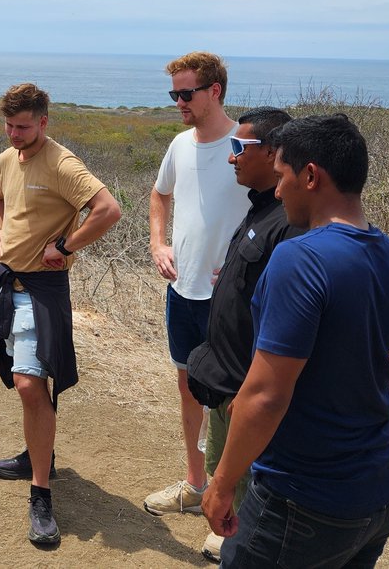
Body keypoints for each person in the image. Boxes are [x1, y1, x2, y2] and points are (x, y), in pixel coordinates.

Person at [201, 114, 389, 568]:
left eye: (282, 176)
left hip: (305, 498)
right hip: (379, 491)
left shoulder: (299, 258)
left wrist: (222, 484)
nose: (279, 192)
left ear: (311, 176)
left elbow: (266, 396)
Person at [0, 83, 122, 546]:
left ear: (44, 121)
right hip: (9, 285)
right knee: (31, 380)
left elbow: (108, 210)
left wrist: (65, 245)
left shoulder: (62, 163)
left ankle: (40, 494)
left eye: (23, 127)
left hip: (42, 289)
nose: (14, 134)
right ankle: (35, 456)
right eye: (9, 125)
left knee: (29, 383)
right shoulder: (8, 157)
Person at [184, 107, 303, 562]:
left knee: (252, 500)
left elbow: (287, 325)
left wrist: (251, 388)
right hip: (226, 382)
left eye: (240, 147)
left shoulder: (289, 223)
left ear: (273, 153)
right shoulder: (261, 209)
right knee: (224, 478)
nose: (231, 156)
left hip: (244, 391)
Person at [144, 52, 251, 518]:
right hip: (182, 290)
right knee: (188, 387)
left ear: (215, 91)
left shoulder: (245, 145)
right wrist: (158, 244)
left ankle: (234, 504)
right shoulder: (179, 144)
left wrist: (246, 268)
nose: (179, 103)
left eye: (186, 93)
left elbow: (277, 212)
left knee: (234, 400)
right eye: (174, 94)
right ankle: (195, 485)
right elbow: (159, 193)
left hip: (229, 299)